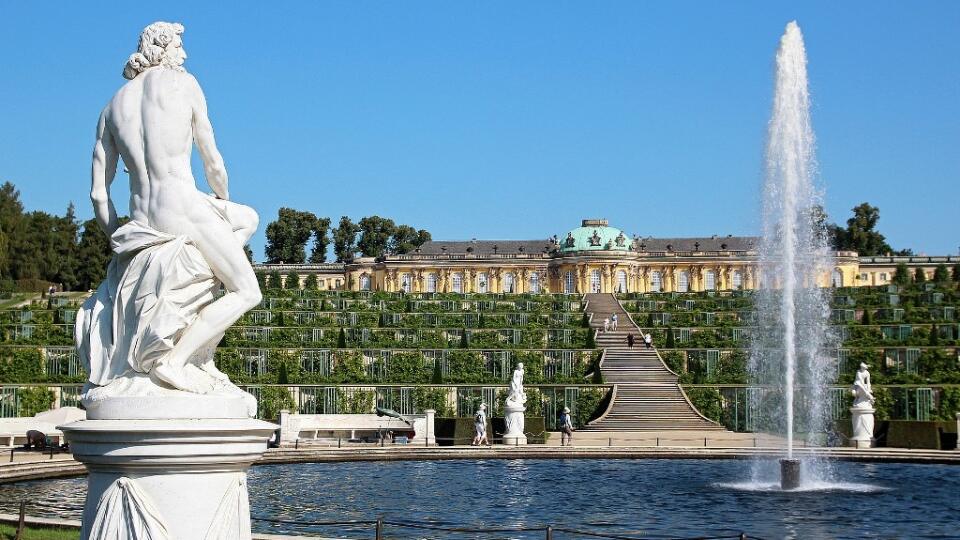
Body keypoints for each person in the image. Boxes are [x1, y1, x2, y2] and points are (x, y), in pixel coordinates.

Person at [86, 21, 261, 394]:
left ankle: (200, 342)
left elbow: (100, 196)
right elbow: (212, 160)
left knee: (246, 219)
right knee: (248, 291)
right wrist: (220, 201)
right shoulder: (185, 84)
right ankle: (175, 361)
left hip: (141, 220)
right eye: (179, 45)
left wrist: (121, 245)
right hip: (182, 205)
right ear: (162, 48)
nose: (184, 53)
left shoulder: (111, 108)